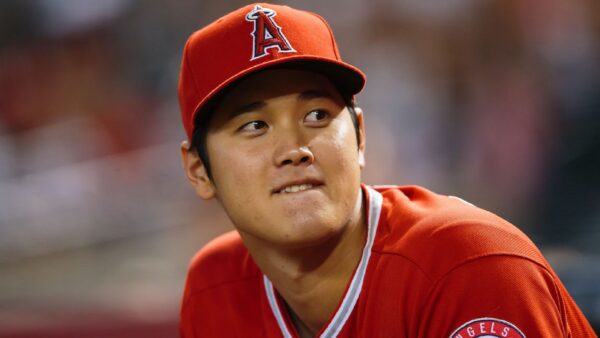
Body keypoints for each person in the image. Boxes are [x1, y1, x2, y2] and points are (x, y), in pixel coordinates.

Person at [177, 3, 596, 337]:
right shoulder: (216, 287)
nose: (294, 149)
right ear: (198, 171)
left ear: (360, 136)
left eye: (318, 115)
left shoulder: (468, 267)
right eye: (255, 126)